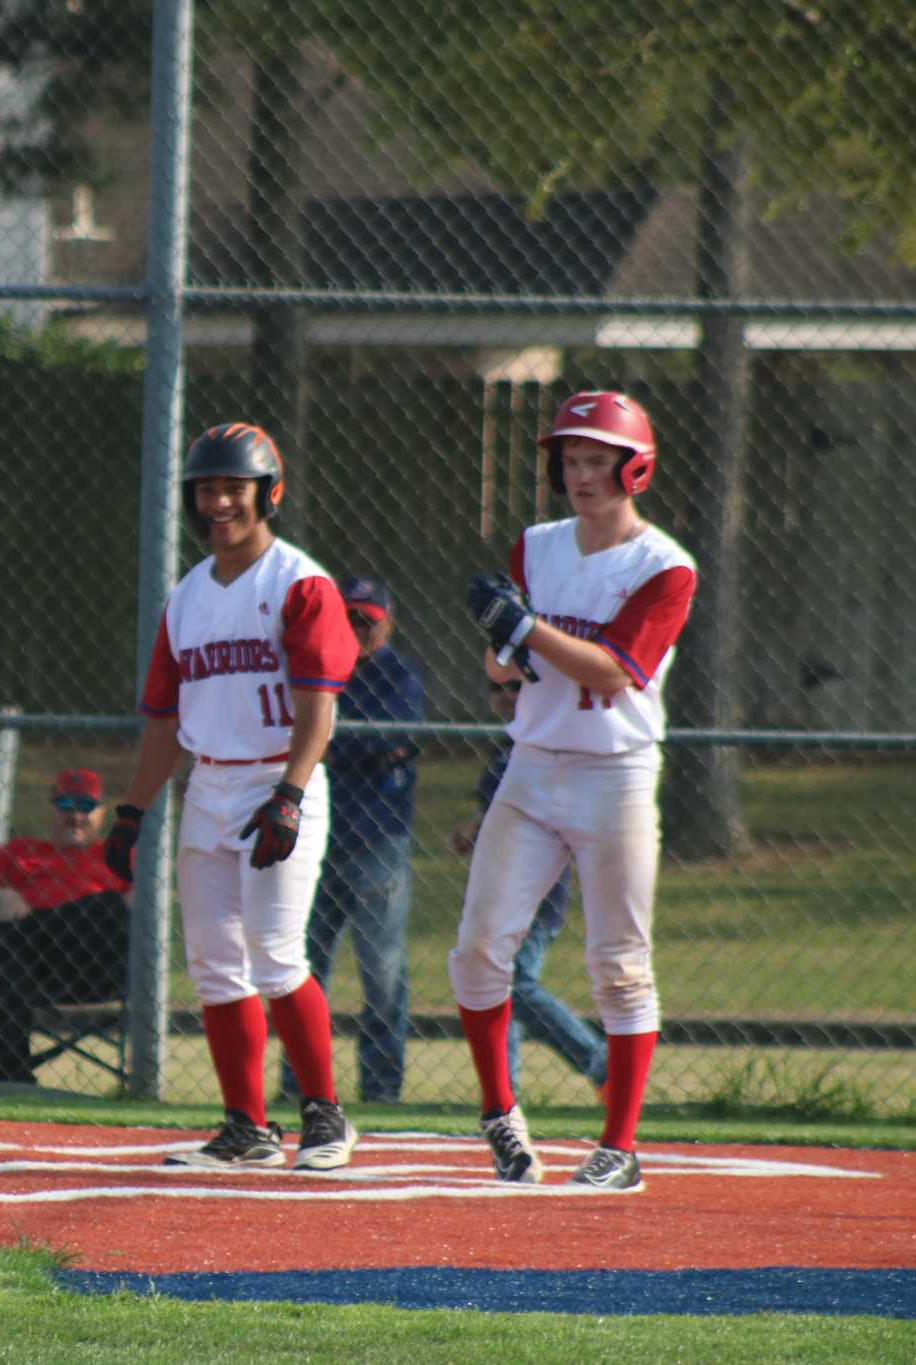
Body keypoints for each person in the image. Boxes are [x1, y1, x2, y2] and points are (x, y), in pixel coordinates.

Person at [453, 389, 697, 1192]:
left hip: (615, 773)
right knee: (480, 947)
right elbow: (512, 666)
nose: (581, 473)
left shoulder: (665, 566)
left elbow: (611, 670)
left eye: (597, 459)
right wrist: (501, 645)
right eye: (570, 459)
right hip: (531, 765)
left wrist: (521, 628)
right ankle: (501, 1115)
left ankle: (619, 1146)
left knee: (619, 962)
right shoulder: (539, 543)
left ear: (636, 467)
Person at [103, 421, 361, 1173]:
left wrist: (289, 792)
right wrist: (133, 809)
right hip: (209, 785)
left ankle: (325, 1114)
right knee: (216, 963)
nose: (218, 501)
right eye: (206, 489)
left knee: (277, 953)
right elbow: (164, 720)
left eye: (233, 488)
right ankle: (246, 1125)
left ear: (268, 493)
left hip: (281, 777)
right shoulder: (186, 596)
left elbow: (320, 704)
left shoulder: (299, 581)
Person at [282, 576, 424, 1106]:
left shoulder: (399, 673)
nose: (358, 629)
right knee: (302, 965)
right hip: (317, 836)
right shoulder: (322, 665)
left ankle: (381, 1090)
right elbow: (304, 731)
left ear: (389, 621)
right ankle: (300, 1086)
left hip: (377, 840)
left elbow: (393, 733)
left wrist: (332, 742)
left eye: (368, 620)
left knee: (382, 971)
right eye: (350, 618)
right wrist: (345, 743)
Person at [448, 679, 609, 1101]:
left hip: (537, 892)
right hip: (504, 885)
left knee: (516, 985)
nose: (505, 696)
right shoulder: (511, 744)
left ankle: (599, 1061)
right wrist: (473, 829)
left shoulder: (543, 745)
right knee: (501, 982)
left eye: (517, 687)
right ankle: (506, 1092)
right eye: (498, 688)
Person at [0, 768, 129, 1086]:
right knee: (0, 944)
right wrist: (2, 895)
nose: (75, 816)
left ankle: (34, 925)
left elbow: (138, 907)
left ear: (102, 813)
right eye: (66, 805)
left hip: (97, 959)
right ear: (52, 809)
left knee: (107, 906)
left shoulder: (117, 856)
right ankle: (14, 1071)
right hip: (32, 964)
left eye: (86, 807)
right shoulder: (19, 851)